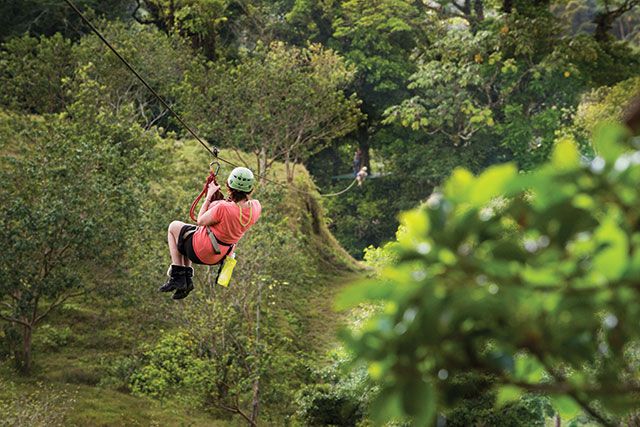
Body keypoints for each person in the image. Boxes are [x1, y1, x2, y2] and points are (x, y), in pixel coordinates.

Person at [160, 167, 262, 299]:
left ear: (229, 186)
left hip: (201, 250)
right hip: (219, 256)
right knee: (186, 235)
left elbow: (200, 220)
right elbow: (234, 210)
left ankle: (178, 275)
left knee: (174, 227)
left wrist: (209, 196)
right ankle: (187, 281)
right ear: (250, 189)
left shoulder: (223, 207)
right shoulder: (256, 207)